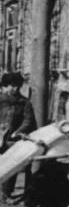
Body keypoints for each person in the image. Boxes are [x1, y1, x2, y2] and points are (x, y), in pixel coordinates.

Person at [0, 72, 36, 200]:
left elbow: (28, 120)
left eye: (17, 86)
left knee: (10, 167)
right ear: (6, 85)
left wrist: (18, 132)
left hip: (12, 140)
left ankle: (6, 194)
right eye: (12, 85)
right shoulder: (1, 100)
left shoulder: (24, 102)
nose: (14, 89)